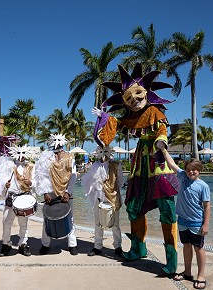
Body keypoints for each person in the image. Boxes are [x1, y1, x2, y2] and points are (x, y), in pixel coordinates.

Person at [91, 63, 180, 274]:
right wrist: (103, 118)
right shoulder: (132, 118)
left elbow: (162, 129)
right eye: (129, 99)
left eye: (138, 94)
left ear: (147, 93)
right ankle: (138, 248)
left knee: (168, 212)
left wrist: (161, 142)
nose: (135, 100)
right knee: (133, 207)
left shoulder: (155, 112)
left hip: (158, 169)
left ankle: (171, 260)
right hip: (140, 169)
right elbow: (116, 124)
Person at [160, 148, 211, 290]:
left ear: (199, 170)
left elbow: (207, 207)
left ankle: (201, 275)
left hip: (196, 222)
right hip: (182, 220)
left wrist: (205, 224)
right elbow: (171, 164)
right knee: (186, 246)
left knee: (198, 248)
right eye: (189, 169)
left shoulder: (203, 186)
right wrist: (164, 151)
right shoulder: (182, 177)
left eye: (194, 170)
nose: (191, 172)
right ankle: (187, 272)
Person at [34, 133, 78, 255]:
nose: (57, 143)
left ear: (63, 142)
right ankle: (45, 244)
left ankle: (72, 245)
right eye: (55, 141)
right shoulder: (46, 157)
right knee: (47, 217)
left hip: (66, 192)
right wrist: (45, 192)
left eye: (59, 141)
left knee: (71, 217)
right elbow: (41, 176)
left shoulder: (70, 157)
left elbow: (73, 176)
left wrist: (68, 192)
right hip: (50, 191)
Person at [0, 144, 35, 257]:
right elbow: (0, 180)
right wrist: (5, 185)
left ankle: (23, 244)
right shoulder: (8, 166)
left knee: (23, 223)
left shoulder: (31, 166)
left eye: (23, 154)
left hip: (24, 197)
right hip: (11, 198)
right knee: (6, 222)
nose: (21, 156)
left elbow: (35, 182)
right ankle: (6, 244)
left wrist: (30, 182)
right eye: (19, 153)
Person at [81, 145, 123, 257]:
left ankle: (118, 246)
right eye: (101, 151)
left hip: (113, 197)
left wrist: (111, 191)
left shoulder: (116, 165)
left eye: (105, 151)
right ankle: (97, 246)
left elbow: (120, 181)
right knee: (98, 223)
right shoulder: (94, 166)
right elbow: (89, 180)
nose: (103, 154)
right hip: (98, 198)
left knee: (115, 224)